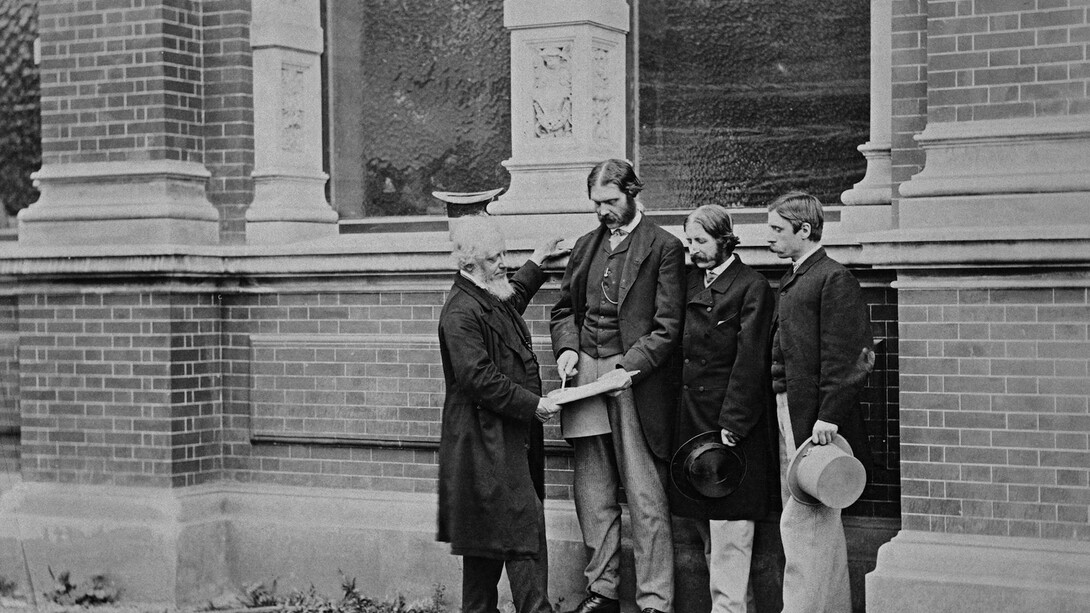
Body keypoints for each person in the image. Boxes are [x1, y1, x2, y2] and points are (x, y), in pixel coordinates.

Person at [550, 159, 685, 613]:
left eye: (611, 201)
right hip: (585, 374)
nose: (603, 211)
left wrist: (628, 367)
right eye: (596, 203)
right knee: (593, 491)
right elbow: (563, 310)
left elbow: (668, 326)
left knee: (646, 493)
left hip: (634, 382)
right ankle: (602, 591)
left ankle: (655, 600)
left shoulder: (665, 246)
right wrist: (568, 349)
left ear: (632, 193)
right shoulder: (586, 246)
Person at [436, 214, 569, 613]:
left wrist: (537, 260)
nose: (503, 264)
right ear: (468, 264)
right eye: (495, 258)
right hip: (483, 444)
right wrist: (534, 404)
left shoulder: (484, 295)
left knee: (485, 547)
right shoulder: (460, 312)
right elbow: (478, 378)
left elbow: (510, 302)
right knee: (521, 532)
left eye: (504, 255)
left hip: (498, 441)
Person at [766, 192, 872, 613]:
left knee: (805, 519)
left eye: (777, 229)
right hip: (789, 409)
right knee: (812, 518)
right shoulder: (796, 276)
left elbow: (851, 356)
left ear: (804, 230)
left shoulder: (832, 278)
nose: (769, 237)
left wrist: (829, 415)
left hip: (814, 420)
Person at [670, 205, 776, 613]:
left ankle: (729, 608)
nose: (693, 250)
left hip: (728, 423)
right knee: (707, 528)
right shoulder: (689, 281)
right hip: (692, 419)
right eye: (689, 241)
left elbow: (751, 360)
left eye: (701, 241)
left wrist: (734, 421)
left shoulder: (751, 286)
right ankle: (734, 607)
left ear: (724, 240)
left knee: (731, 529)